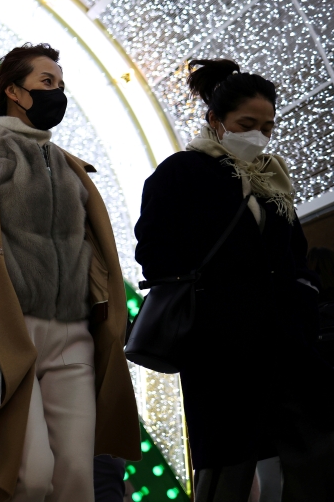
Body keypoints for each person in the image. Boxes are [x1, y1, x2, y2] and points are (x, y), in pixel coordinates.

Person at [0, 43, 141, 502]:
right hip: (6, 332)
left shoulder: (71, 167)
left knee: (77, 477)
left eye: (60, 85)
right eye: (46, 83)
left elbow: (92, 246)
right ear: (13, 92)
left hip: (74, 334)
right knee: (30, 473)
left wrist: (104, 307)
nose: (57, 93)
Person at [133, 59, 334, 501]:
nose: (258, 135)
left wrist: (304, 294)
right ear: (215, 119)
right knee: (228, 463)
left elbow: (294, 254)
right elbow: (153, 252)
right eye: (247, 123)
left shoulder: (271, 181)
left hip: (285, 338)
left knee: (313, 445)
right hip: (220, 345)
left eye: (267, 126)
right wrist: (218, 296)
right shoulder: (181, 173)